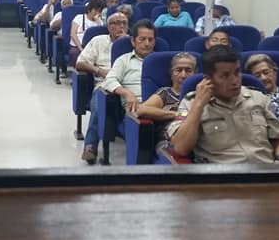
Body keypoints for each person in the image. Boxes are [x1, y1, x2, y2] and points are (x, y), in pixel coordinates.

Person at [168, 45, 279, 164]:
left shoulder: (259, 98)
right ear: (208, 79)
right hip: (223, 175)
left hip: (266, 171)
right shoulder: (190, 104)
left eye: (237, 72)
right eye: (225, 75)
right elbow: (180, 148)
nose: (235, 81)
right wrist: (198, 105)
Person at [91, 20, 157, 163]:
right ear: (133, 41)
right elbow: (109, 80)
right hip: (135, 109)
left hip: (159, 107)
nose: (147, 43)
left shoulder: (160, 62)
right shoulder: (124, 60)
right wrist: (127, 93)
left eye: (150, 39)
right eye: (142, 39)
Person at [76, 12, 130, 164]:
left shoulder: (133, 42)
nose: (121, 26)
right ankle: (90, 146)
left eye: (124, 23)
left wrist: (125, 44)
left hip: (129, 85)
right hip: (104, 84)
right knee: (101, 103)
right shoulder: (98, 41)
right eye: (116, 23)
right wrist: (99, 71)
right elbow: (80, 63)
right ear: (108, 26)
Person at [136, 52, 198, 145]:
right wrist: (178, 114)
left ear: (195, 74)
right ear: (171, 73)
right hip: (170, 141)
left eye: (188, 71)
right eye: (178, 70)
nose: (183, 75)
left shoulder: (200, 94)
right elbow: (141, 110)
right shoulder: (165, 93)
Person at [245, 54, 279, 127]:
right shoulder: (249, 101)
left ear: (275, 72)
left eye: (266, 72)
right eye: (257, 76)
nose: (263, 78)